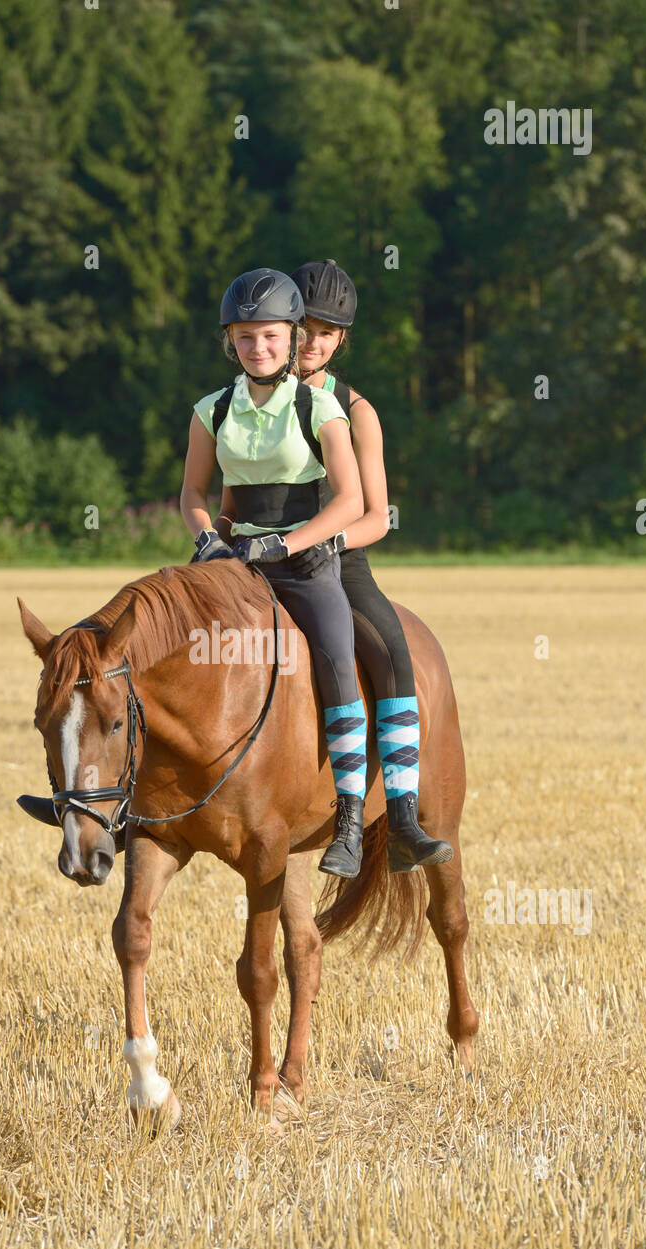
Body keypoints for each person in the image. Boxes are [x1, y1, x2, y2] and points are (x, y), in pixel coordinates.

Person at [214, 259, 452, 871]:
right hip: (253, 558)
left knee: (393, 656)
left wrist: (325, 545)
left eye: (327, 332)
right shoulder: (251, 400)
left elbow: (375, 516)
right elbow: (229, 496)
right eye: (307, 327)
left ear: (341, 339)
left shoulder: (356, 410)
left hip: (336, 564)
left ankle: (399, 816)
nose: (312, 342)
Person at [181, 267, 370, 877]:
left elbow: (348, 502)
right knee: (162, 640)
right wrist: (207, 538)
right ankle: (137, 798)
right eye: (243, 338)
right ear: (229, 343)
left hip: (307, 564)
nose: (256, 348)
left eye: (268, 336)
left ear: (291, 337)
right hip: (233, 561)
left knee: (340, 659)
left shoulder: (322, 407)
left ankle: (348, 820)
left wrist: (286, 545)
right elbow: (191, 493)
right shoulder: (211, 410)